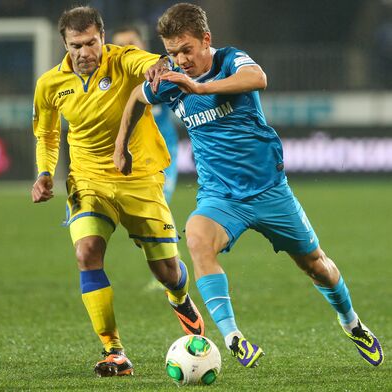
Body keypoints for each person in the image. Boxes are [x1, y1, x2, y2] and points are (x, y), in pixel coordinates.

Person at [114, 2, 383, 369]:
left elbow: (258, 79)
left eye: (187, 50)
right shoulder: (170, 81)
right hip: (221, 196)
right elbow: (134, 98)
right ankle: (232, 337)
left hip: (270, 191)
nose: (181, 59)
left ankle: (352, 323)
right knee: (195, 237)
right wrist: (121, 148)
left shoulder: (230, 61)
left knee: (317, 265)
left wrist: (198, 87)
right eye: (173, 52)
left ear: (206, 39)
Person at [31, 6, 205, 377]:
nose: (85, 52)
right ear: (65, 44)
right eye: (76, 45)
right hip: (88, 179)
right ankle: (114, 351)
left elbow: (148, 62)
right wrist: (45, 173)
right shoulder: (50, 84)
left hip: (139, 177)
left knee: (166, 270)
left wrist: (159, 65)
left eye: (91, 42)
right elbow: (46, 133)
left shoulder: (121, 60)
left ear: (102, 38)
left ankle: (179, 297)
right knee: (87, 251)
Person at [112, 26, 180, 203]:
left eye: (131, 44)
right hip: (123, 150)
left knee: (156, 206)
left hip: (160, 149)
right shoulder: (107, 81)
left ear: (143, 44)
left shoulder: (160, 71)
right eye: (120, 45)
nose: (126, 50)